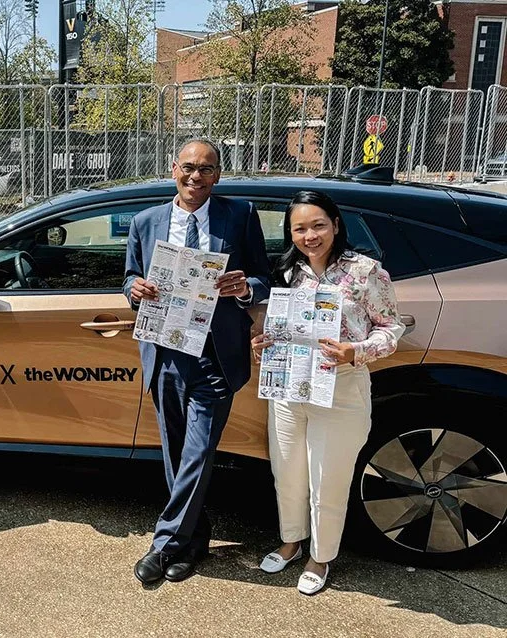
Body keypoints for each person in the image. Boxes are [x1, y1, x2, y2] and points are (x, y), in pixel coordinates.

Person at [124, 139, 271, 585]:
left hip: (215, 356)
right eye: (188, 167)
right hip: (166, 351)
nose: (196, 177)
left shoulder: (240, 215)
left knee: (198, 450)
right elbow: (130, 276)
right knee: (176, 453)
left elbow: (265, 278)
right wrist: (135, 290)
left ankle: (164, 543)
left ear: (218, 175)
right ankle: (193, 541)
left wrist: (244, 287)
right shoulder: (145, 221)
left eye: (206, 169)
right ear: (173, 169)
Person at [251, 190, 404, 595]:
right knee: (287, 474)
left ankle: (320, 557)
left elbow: (391, 328)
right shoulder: (287, 273)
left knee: (328, 481)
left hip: (341, 390)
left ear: (335, 225)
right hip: (288, 388)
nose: (309, 235)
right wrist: (263, 343)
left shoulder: (366, 271)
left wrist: (357, 350)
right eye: (299, 228)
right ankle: (290, 542)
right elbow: (279, 328)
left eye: (318, 225)